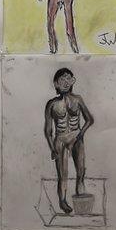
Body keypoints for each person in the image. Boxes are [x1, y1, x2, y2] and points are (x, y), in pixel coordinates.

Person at [44, 68, 93, 215]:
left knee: (81, 171)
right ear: (56, 84)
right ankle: (63, 201)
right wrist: (52, 148)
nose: (65, 83)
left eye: (68, 79)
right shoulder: (51, 104)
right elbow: (48, 130)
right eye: (62, 80)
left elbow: (89, 119)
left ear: (72, 81)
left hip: (76, 136)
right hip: (60, 139)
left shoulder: (77, 99)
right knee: (62, 174)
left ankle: (80, 195)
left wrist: (81, 134)